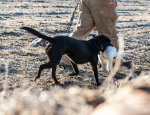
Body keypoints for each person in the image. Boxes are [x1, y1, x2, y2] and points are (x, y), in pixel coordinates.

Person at [30, 0, 132, 70]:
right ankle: (115, 64)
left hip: (85, 1)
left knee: (80, 31)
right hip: (102, 3)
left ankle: (65, 60)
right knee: (109, 34)